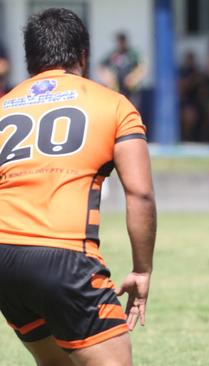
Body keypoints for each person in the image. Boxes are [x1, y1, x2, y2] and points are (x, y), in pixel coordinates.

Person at [0, 8, 156, 366]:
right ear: (83, 56)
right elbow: (141, 193)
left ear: (29, 59)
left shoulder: (4, 106)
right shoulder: (114, 105)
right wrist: (142, 270)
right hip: (63, 256)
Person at [98, 32, 147, 111]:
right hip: (117, 89)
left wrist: (134, 77)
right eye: (119, 41)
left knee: (132, 109)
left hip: (131, 90)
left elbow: (143, 67)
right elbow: (101, 67)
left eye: (122, 41)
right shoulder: (113, 54)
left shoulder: (133, 53)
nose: (120, 43)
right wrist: (108, 78)